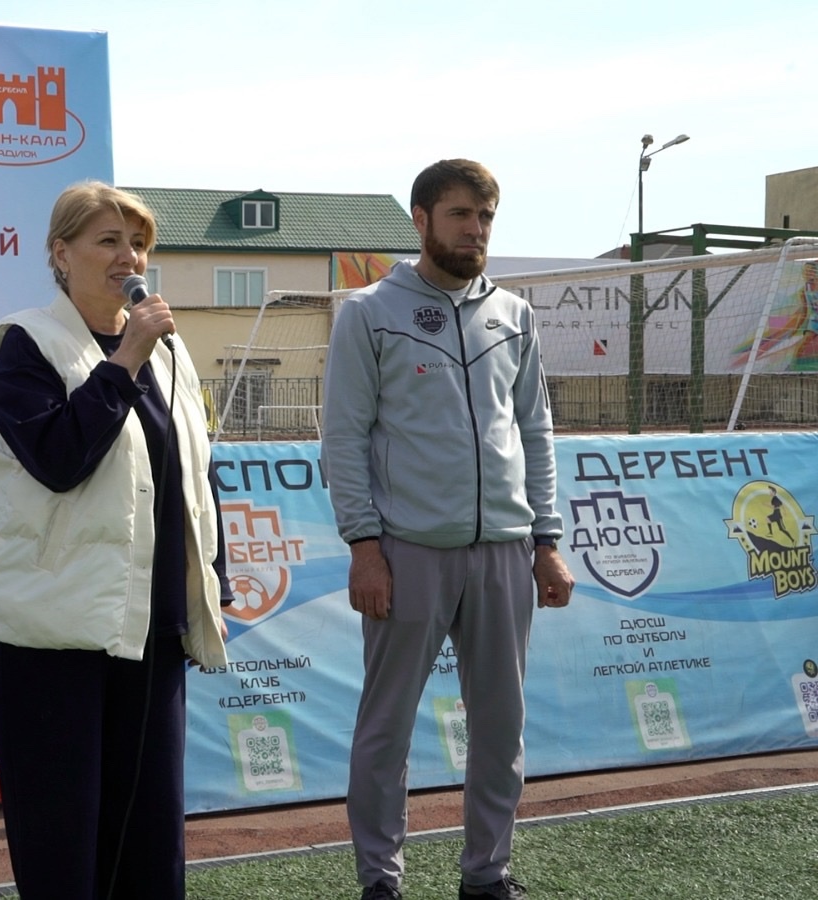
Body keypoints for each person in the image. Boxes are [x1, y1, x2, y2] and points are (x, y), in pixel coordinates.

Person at [0, 180, 230, 899]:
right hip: (55, 633)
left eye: (137, 243)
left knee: (150, 844)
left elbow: (194, 471)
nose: (128, 257)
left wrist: (210, 578)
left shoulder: (168, 351)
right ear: (61, 254)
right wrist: (124, 361)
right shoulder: (24, 342)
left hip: (152, 631)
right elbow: (58, 461)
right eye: (108, 241)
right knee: (63, 843)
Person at [320, 159, 575, 900]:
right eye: (461, 214)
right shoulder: (369, 312)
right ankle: (380, 881)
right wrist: (364, 547)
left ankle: (487, 876)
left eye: (486, 217)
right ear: (422, 219)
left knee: (500, 726)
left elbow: (535, 433)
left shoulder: (515, 314)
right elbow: (343, 438)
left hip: (504, 552)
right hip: (407, 553)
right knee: (387, 727)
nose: (476, 230)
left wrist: (547, 541)